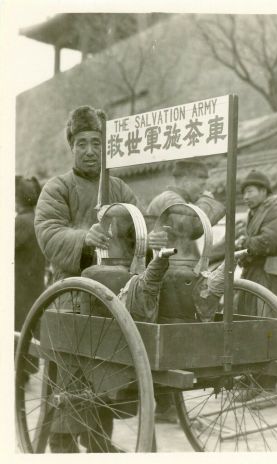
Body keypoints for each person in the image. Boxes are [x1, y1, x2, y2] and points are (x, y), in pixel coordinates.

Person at [34, 105, 165, 452]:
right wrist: (83, 238)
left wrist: (150, 240)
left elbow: (141, 229)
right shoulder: (57, 188)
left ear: (107, 147)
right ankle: (62, 439)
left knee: (109, 368)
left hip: (116, 291)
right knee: (76, 364)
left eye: (97, 143)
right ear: (71, 147)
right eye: (82, 143)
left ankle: (97, 440)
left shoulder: (120, 188)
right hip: (72, 290)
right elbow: (47, 232)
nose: (90, 151)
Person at [146, 159, 226, 423]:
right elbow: (191, 228)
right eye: (200, 182)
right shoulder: (169, 200)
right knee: (173, 339)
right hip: (169, 276)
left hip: (176, 276)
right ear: (184, 180)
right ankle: (167, 407)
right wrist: (209, 202)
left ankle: (167, 406)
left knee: (175, 340)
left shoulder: (176, 200)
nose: (205, 188)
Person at [235, 169, 277, 399]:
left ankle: (266, 382)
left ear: (263, 191)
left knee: (268, 326)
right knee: (250, 323)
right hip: (254, 273)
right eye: (244, 193)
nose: (245, 196)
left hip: (270, 277)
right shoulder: (255, 212)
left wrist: (243, 243)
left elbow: (267, 242)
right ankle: (252, 376)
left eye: (249, 191)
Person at [15, 176, 45, 379]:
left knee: (18, 325)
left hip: (20, 285)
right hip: (34, 283)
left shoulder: (21, 222)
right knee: (30, 323)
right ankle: (27, 368)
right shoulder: (36, 220)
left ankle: (21, 372)